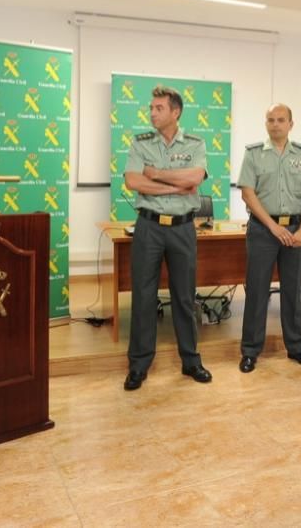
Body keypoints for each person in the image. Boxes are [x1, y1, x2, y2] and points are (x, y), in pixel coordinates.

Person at [123, 86, 210, 391]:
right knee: (143, 297)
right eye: (151, 108)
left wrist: (155, 174)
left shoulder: (196, 144)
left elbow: (195, 178)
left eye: (159, 108)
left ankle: (190, 360)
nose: (152, 113)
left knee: (184, 296)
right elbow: (134, 181)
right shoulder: (140, 142)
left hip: (183, 228)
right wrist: (175, 185)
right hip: (149, 228)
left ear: (175, 112)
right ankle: (138, 365)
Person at [238, 103, 301, 373]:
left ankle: (296, 347)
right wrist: (273, 227)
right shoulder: (253, 154)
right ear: (266, 124)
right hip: (264, 230)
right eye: (270, 120)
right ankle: (250, 351)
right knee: (257, 291)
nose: (275, 124)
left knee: (292, 291)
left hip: (296, 230)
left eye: (281, 120)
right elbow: (247, 194)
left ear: (290, 124)